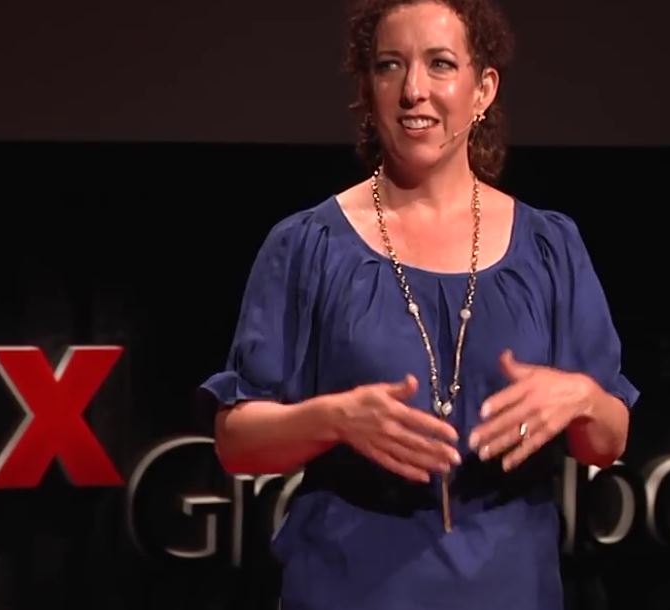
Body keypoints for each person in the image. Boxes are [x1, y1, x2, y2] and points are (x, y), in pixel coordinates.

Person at [200, 0, 639, 608]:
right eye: (390, 65)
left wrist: (583, 399)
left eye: (440, 64)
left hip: (511, 591)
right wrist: (333, 419)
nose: (413, 90)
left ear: (483, 89)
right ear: (367, 88)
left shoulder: (548, 247)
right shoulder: (307, 245)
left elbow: (608, 441)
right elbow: (236, 443)